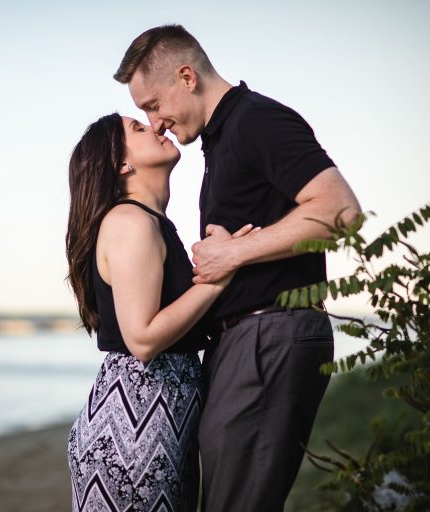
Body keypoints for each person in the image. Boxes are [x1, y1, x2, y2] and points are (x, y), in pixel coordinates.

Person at [114, 25, 362, 511]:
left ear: (187, 76)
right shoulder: (222, 138)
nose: (154, 121)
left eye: (152, 105)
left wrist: (234, 254)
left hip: (268, 336)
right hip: (250, 342)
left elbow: (341, 211)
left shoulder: (257, 121)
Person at [65, 113, 256, 511]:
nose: (155, 127)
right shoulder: (130, 221)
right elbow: (143, 338)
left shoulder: (149, 222)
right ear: (122, 164)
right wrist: (220, 276)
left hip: (160, 418)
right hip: (134, 426)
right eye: (138, 129)